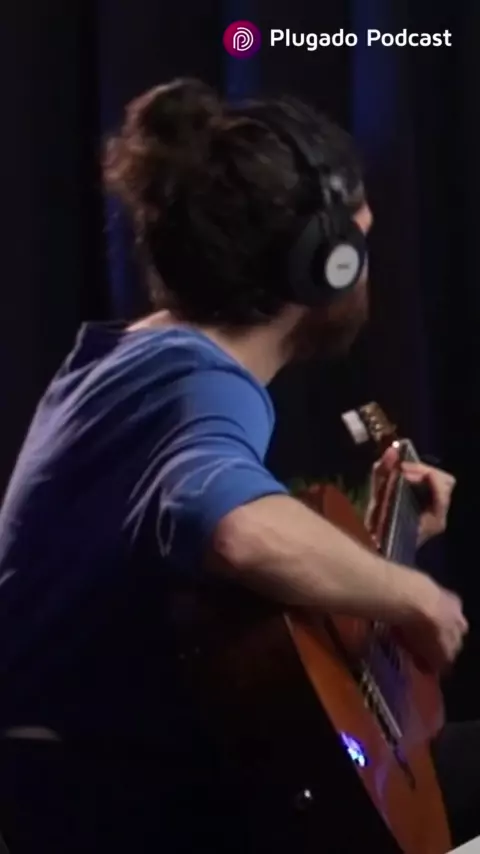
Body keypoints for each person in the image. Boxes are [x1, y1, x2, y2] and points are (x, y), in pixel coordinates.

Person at [0, 77, 473, 852]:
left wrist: (387, 547)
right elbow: (235, 530)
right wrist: (415, 595)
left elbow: (222, 594)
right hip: (128, 813)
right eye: (360, 238)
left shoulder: (134, 361)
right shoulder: (196, 379)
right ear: (325, 264)